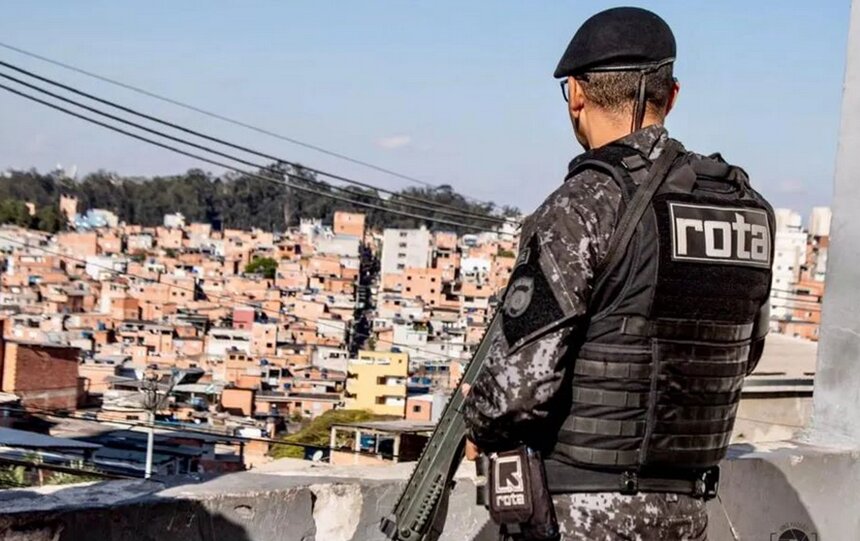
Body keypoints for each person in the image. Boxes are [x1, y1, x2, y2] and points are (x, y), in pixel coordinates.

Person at [462, 6, 775, 541]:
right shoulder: (747, 209)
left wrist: (481, 416)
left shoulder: (585, 204)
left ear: (577, 95)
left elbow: (518, 388)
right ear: (670, 95)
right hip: (687, 512)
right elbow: (744, 356)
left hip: (579, 514)